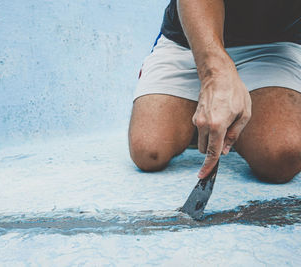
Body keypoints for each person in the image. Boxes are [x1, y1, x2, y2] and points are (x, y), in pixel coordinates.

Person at [128, 0, 301, 183]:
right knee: (148, 151)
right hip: (190, 39)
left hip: (273, 47)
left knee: (281, 157)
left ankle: (235, 117)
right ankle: (205, 115)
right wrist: (214, 74)